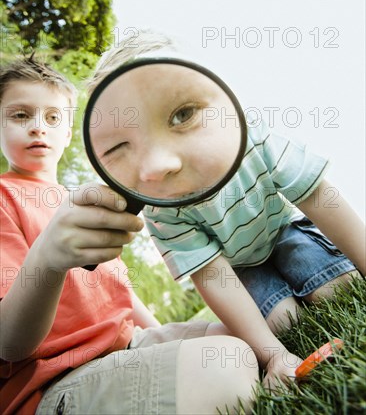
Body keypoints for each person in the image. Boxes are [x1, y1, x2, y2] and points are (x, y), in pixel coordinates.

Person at [86, 29, 365, 385]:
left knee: (338, 290)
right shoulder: (161, 210)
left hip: (284, 232)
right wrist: (274, 355)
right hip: (240, 269)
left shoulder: (254, 137)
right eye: (118, 147)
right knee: (285, 323)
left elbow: (319, 198)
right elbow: (212, 273)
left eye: (182, 114)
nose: (158, 165)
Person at [0, 55, 260, 415]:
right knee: (226, 365)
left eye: (53, 117)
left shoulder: (87, 203)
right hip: (54, 380)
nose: (38, 127)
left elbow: (117, 295)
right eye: (20, 115)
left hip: (125, 346)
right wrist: (47, 258)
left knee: (241, 336)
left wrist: (163, 340)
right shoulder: (2, 199)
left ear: (69, 130)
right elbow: (10, 344)